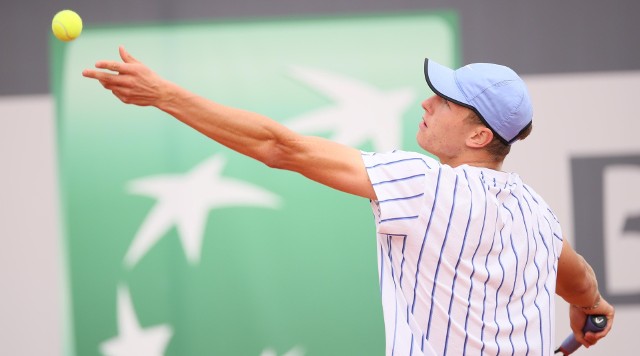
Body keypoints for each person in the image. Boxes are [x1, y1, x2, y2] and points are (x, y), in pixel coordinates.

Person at [83, 46, 614, 355]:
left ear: (479, 136)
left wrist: (165, 95)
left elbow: (278, 147)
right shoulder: (537, 213)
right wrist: (588, 306)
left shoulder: (425, 185)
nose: (427, 101)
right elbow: (580, 280)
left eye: (447, 100)